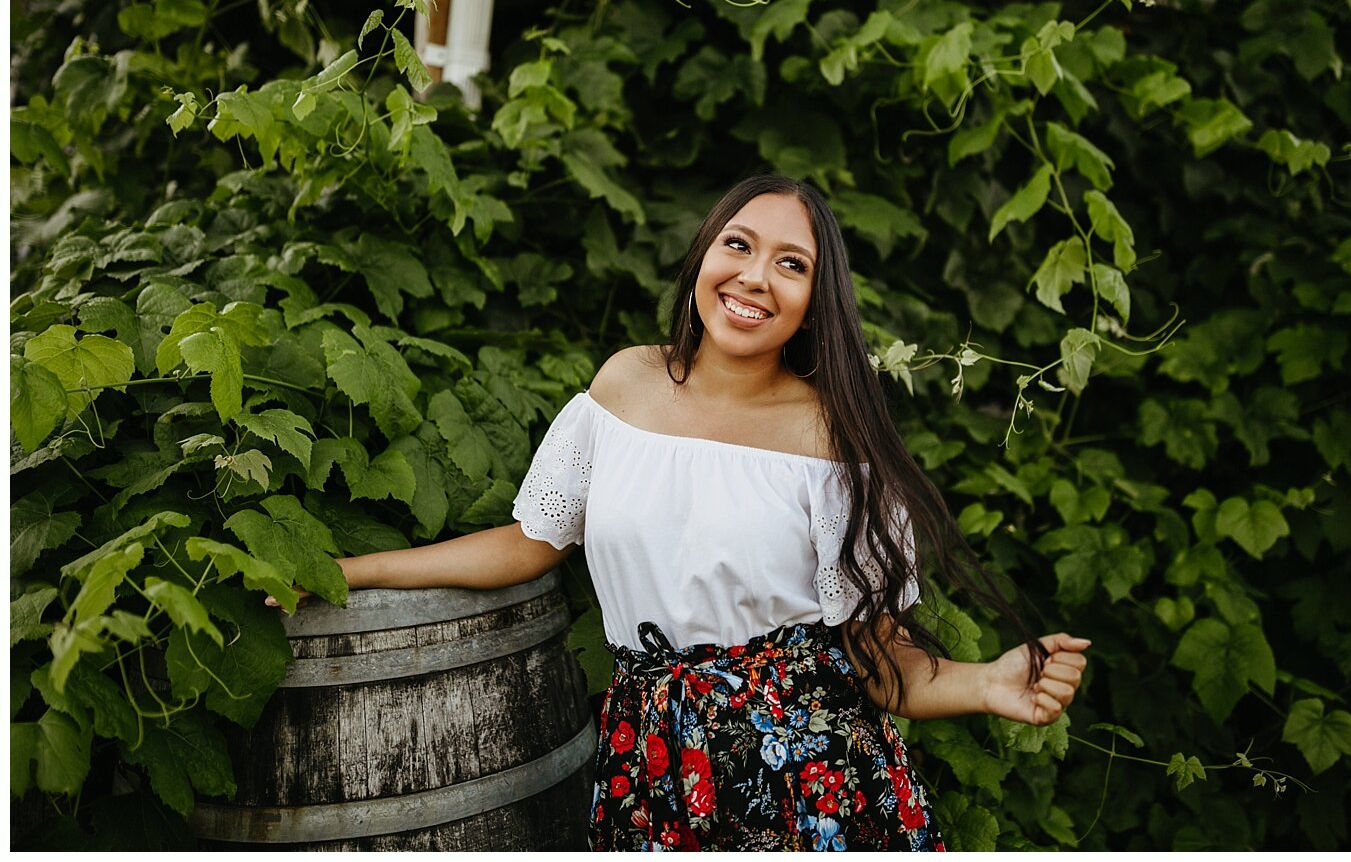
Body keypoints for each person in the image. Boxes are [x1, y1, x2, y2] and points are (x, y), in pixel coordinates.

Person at [273, 174, 1090, 851]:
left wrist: (988, 683)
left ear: (815, 299)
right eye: (738, 244)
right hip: (650, 759)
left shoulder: (833, 441)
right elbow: (530, 541)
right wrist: (345, 571)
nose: (753, 277)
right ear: (704, 253)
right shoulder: (623, 386)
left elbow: (882, 661)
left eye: (790, 263)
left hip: (809, 770)